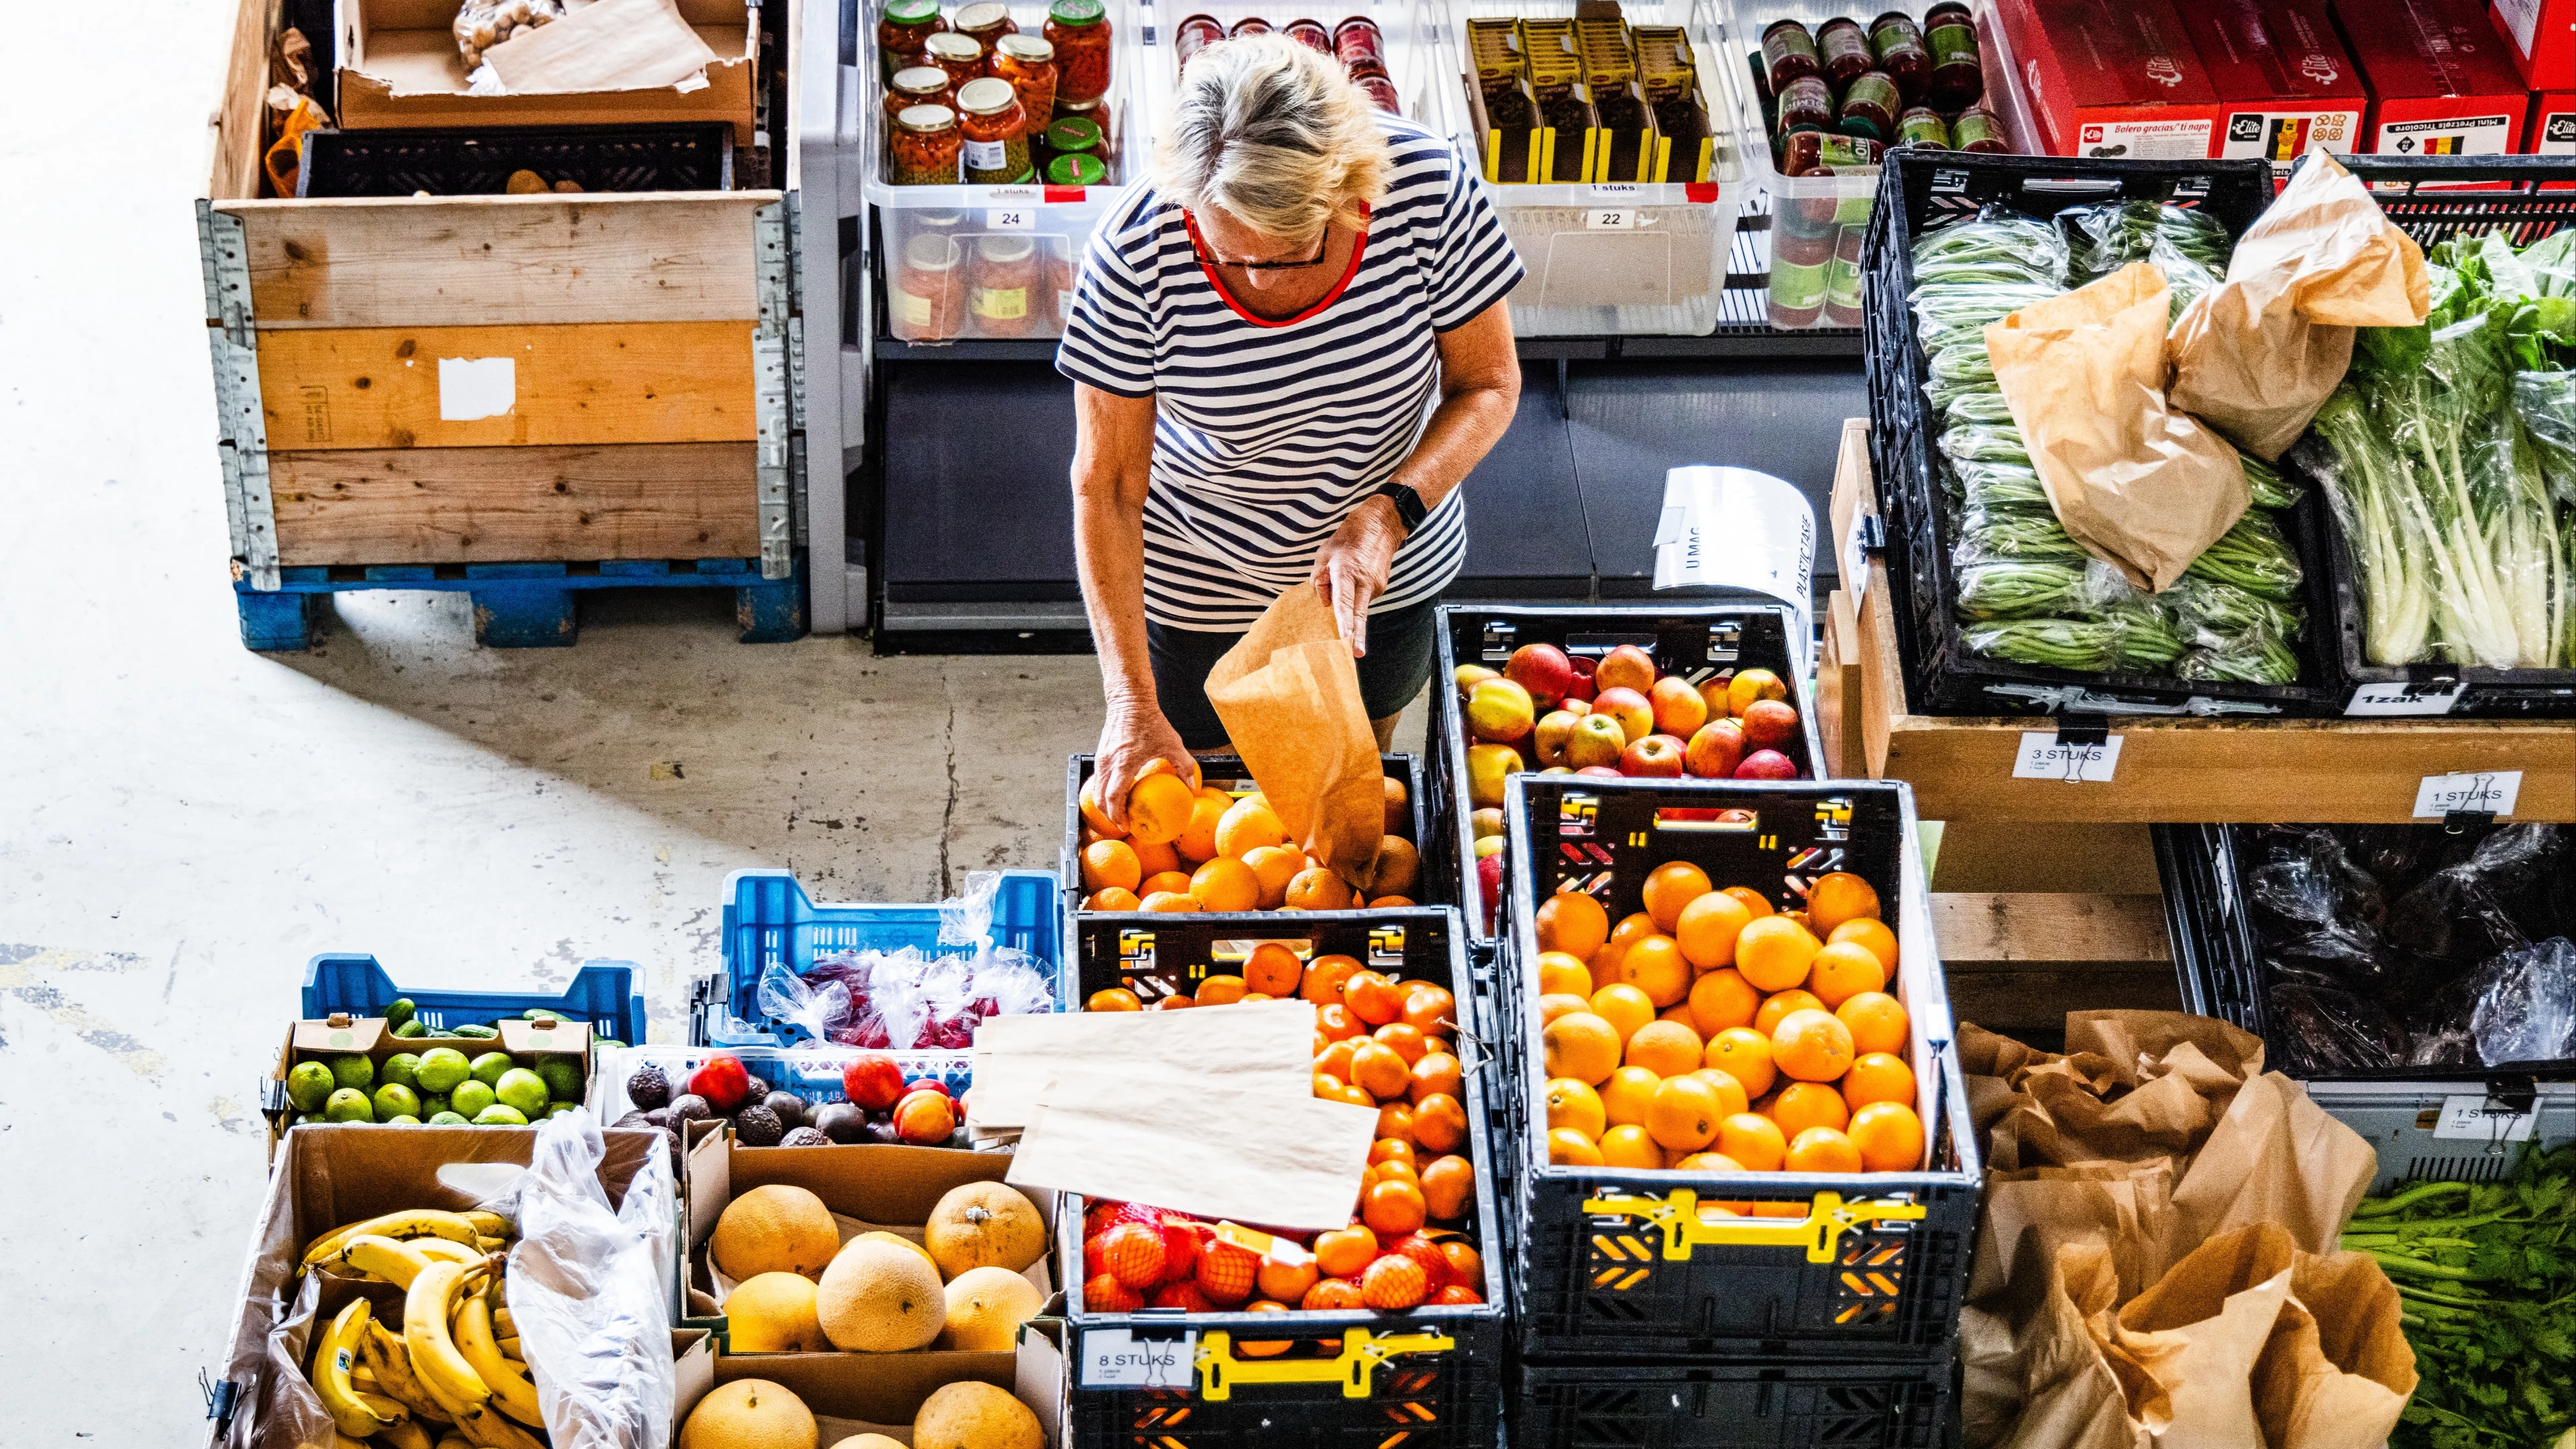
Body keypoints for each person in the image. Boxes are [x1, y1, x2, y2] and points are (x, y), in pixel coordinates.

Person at [1059, 33, 1525, 826]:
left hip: (1384, 582)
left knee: (1351, 797)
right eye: (1227, 255)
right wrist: (1131, 701)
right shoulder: (1138, 247)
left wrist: (1387, 515)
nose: (1257, 281)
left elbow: (1489, 385)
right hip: (1202, 587)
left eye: (1287, 256)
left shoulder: (1429, 192)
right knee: (1213, 828)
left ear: (1349, 192)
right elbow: (1107, 484)